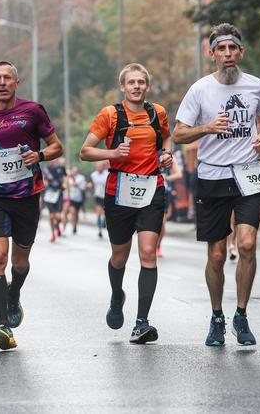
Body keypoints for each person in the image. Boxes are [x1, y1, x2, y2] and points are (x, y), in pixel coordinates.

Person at [173, 23, 260, 346]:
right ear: (212, 54)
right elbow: (178, 133)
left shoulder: (256, 85)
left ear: (240, 52)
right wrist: (207, 127)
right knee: (216, 256)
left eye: (233, 49)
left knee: (246, 244)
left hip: (249, 174)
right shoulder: (200, 90)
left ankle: (241, 315)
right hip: (212, 175)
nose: (228, 54)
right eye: (221, 49)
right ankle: (217, 316)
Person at [0, 60, 63, 350]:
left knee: (19, 261)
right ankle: (3, 327)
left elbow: (57, 145)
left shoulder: (33, 111)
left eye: (8, 77)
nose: (3, 82)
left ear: (16, 83)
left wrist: (40, 156)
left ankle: (14, 294)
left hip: (27, 197)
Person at [80, 62, 173, 344]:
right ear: (123, 87)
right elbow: (84, 151)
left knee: (148, 253)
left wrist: (167, 154)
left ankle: (141, 322)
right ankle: (117, 294)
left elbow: (167, 137)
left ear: (147, 86)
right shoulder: (110, 115)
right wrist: (113, 153)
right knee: (120, 256)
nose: (136, 87)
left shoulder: (157, 113)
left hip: (152, 188)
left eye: (141, 82)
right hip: (119, 191)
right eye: (131, 82)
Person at [157, 153, 183, 257]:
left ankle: (158, 245)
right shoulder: (149, 151)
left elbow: (179, 174)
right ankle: (151, 243)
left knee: (162, 222)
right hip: (149, 190)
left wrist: (166, 178)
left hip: (163, 192)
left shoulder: (169, 157)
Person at [43, 157, 67, 242]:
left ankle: (57, 226)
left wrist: (64, 184)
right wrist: (45, 183)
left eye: (54, 158)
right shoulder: (46, 169)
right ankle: (53, 234)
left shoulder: (61, 168)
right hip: (49, 194)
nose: (53, 160)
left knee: (59, 217)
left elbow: (65, 178)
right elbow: (44, 180)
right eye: (51, 159)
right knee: (52, 216)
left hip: (59, 193)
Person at [90, 160, 109, 238]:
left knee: (104, 213)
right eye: (98, 166)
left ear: (103, 167)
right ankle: (99, 229)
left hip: (105, 195)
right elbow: (93, 184)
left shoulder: (107, 174)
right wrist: (89, 185)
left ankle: (103, 222)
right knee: (98, 212)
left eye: (100, 166)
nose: (99, 168)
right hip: (97, 195)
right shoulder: (93, 175)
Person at [65, 166, 87, 235]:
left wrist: (72, 178)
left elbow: (76, 184)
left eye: (75, 171)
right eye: (73, 171)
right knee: (72, 212)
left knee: (76, 213)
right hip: (71, 198)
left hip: (78, 198)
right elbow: (66, 185)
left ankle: (75, 225)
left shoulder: (81, 178)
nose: (74, 172)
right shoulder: (69, 178)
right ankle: (73, 225)